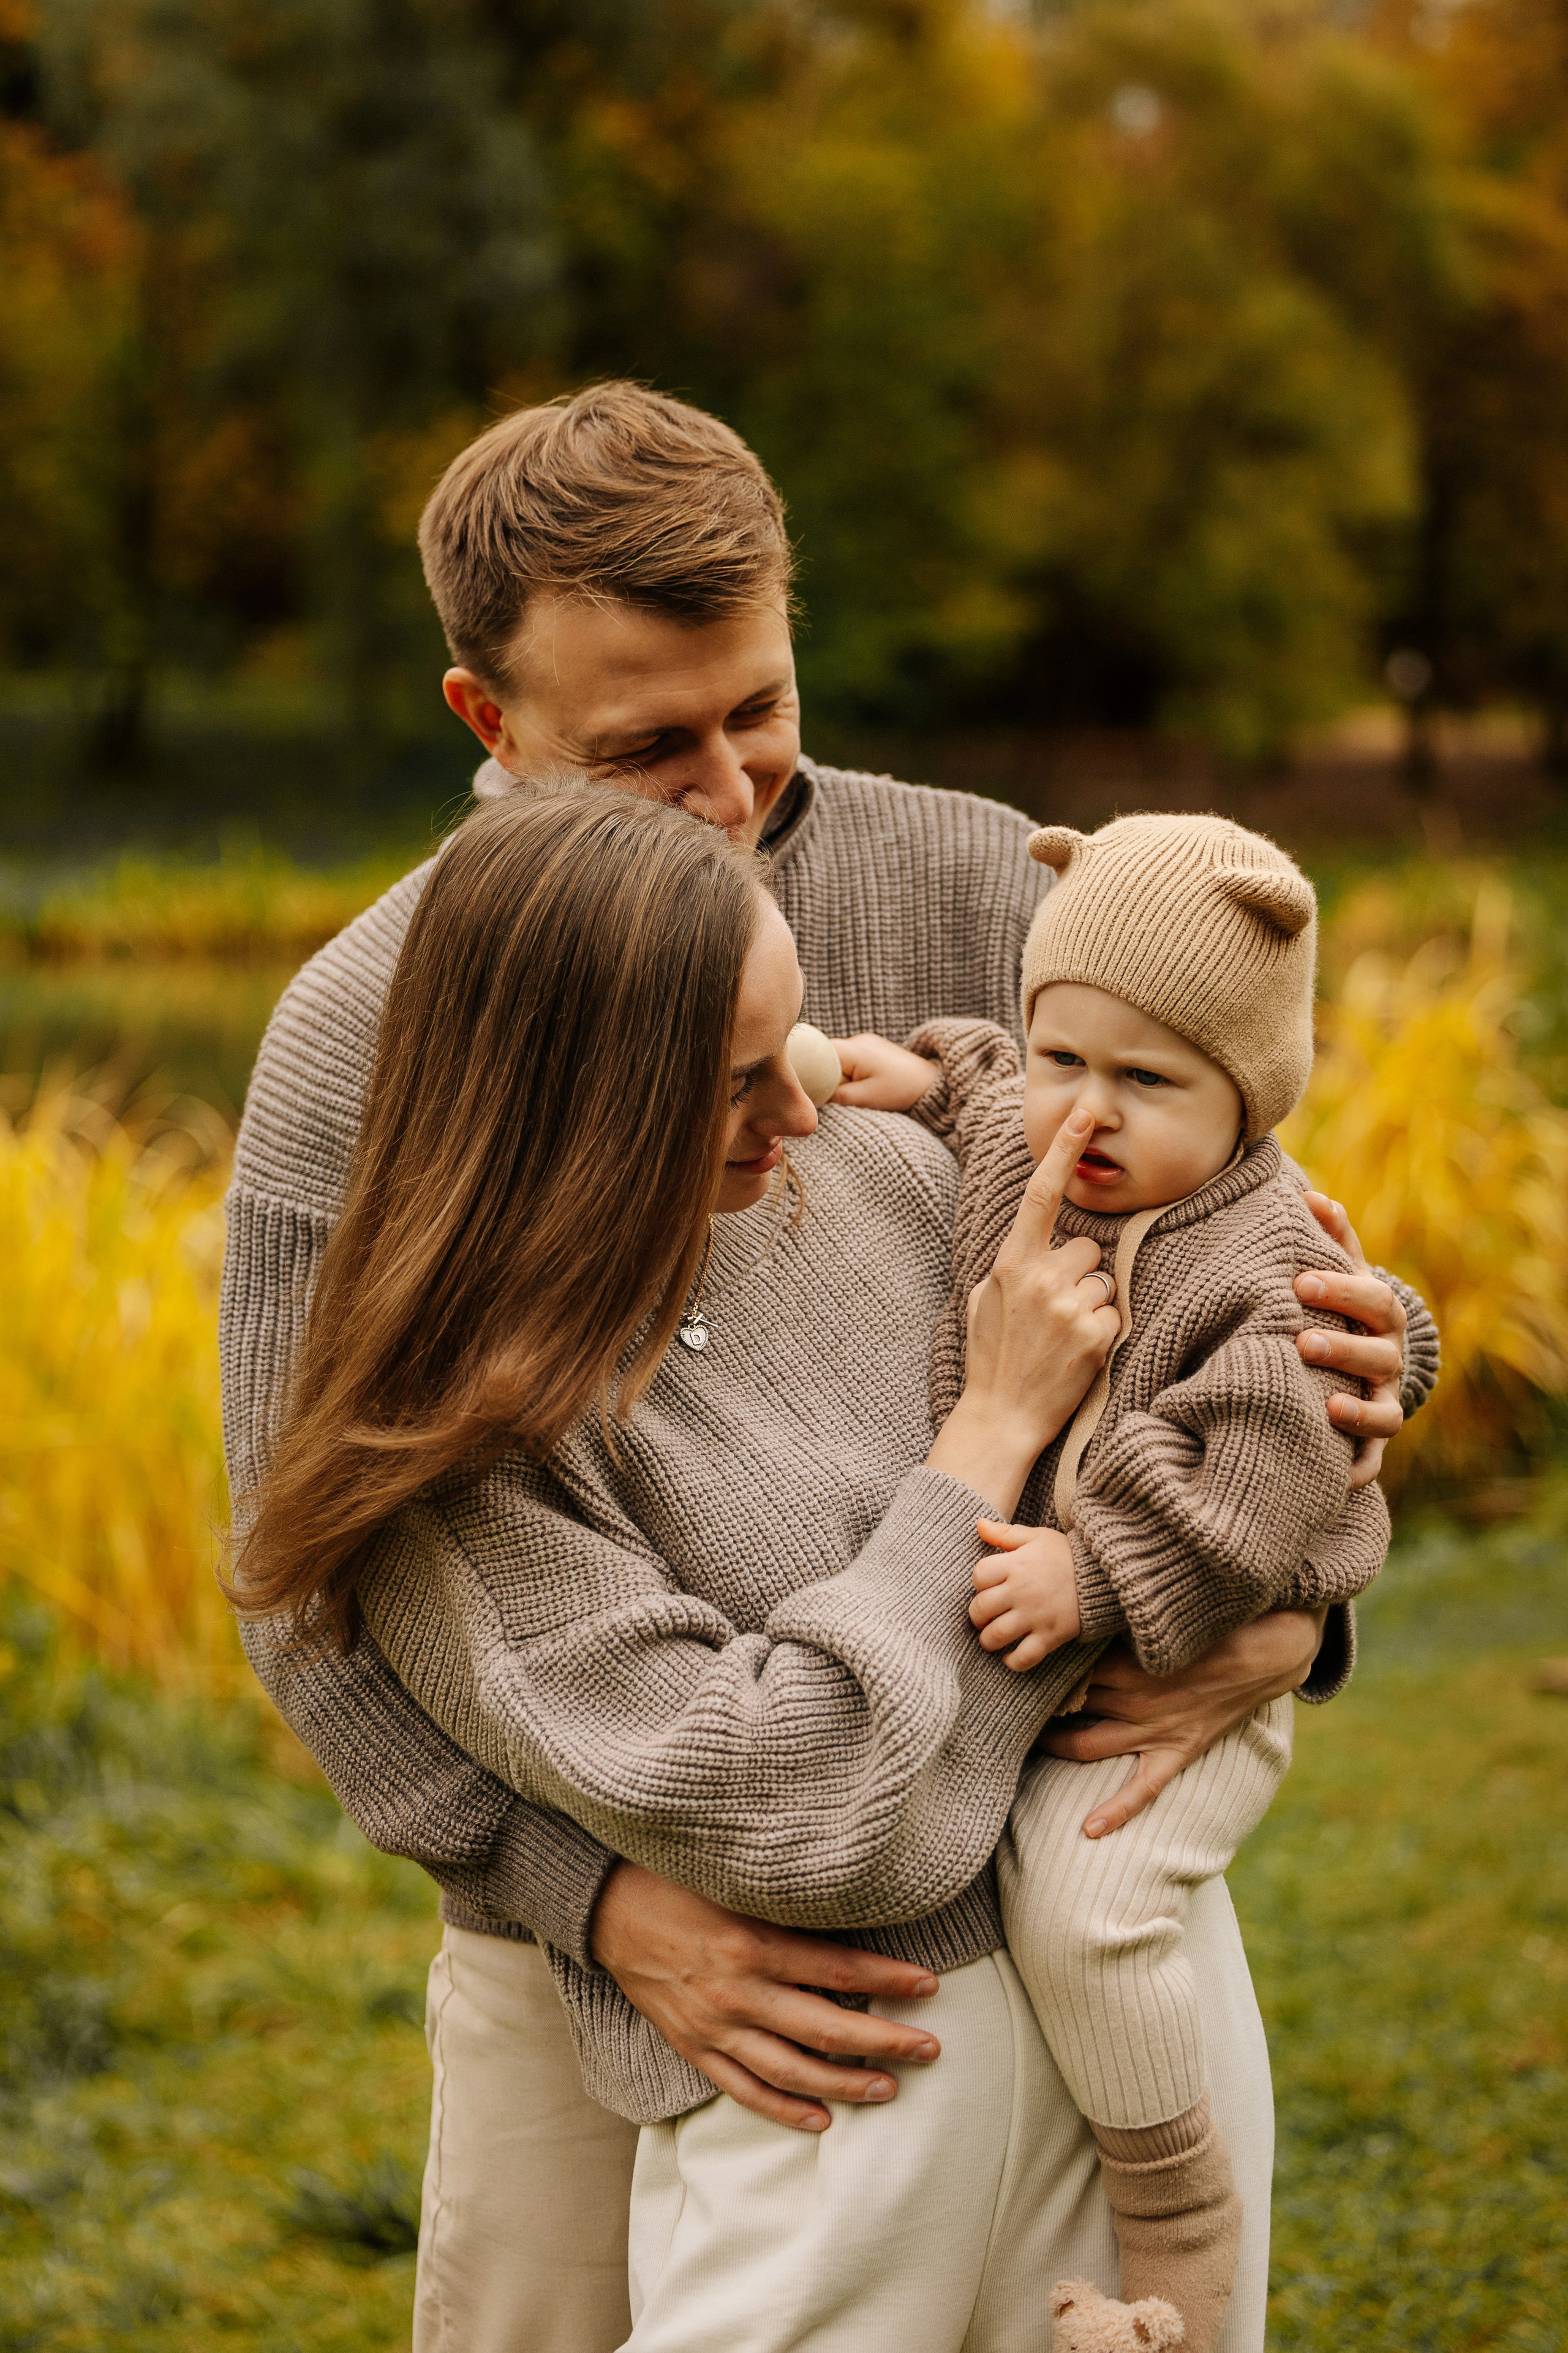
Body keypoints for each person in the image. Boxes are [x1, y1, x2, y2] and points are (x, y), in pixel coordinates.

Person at [221, 383, 1433, 2353]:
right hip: (626, 1908)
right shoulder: (369, 1032)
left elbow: (1213, 1254)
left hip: (1011, 1837)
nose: (725, 792)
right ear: (485, 717)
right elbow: (314, 1573)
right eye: (646, 747)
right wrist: (598, 1901)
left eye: (759, 710)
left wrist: (1276, 1597)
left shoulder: (993, 882)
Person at [831, 814, 1404, 2352]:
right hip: (1063, 1652)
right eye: (1059, 1057)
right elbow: (985, 1076)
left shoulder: (1266, 1274)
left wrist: (1095, 1575)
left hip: (1190, 1673)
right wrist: (920, 1074)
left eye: (1144, 1081)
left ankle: (1177, 2230)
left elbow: (1258, 1494)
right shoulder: (1035, 1140)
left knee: (1085, 1909)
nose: (1081, 1110)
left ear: (1245, 1097)